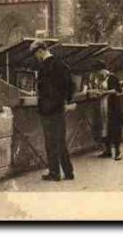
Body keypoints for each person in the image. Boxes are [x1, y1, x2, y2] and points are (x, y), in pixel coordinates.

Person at [32, 40, 75, 182]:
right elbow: (70, 84)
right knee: (61, 141)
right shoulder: (61, 64)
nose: (36, 57)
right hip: (60, 108)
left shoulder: (45, 67)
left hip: (48, 109)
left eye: (35, 54)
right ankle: (68, 172)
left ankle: (54, 173)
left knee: (50, 142)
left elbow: (43, 90)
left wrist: (43, 102)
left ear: (40, 51)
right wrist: (67, 101)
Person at [90, 60, 123, 160]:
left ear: (103, 70)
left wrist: (104, 93)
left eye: (98, 72)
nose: (97, 74)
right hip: (103, 105)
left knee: (115, 128)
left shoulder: (112, 78)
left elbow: (117, 90)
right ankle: (107, 149)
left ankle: (117, 151)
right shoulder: (100, 79)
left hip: (113, 107)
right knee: (105, 128)